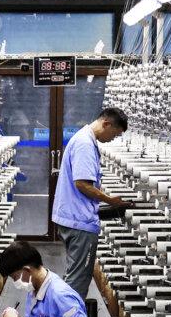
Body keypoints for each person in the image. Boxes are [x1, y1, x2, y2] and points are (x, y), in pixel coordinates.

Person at [51, 107, 132, 299]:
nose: (114, 138)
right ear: (106, 124)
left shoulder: (84, 139)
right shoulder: (85, 144)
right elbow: (82, 184)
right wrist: (110, 200)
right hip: (79, 223)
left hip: (73, 218)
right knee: (78, 280)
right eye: (115, 133)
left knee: (74, 274)